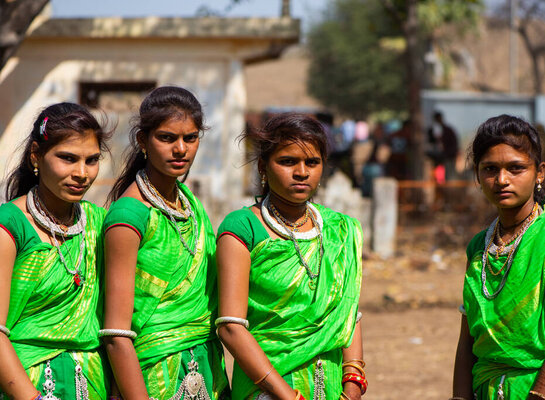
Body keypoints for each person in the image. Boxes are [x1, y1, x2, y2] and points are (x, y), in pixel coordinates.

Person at [216, 113, 365, 400]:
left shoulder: (341, 230)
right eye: (287, 161)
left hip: (332, 387)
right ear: (263, 166)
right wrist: (287, 396)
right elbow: (231, 327)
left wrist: (353, 384)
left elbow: (349, 316)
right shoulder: (243, 227)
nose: (301, 172)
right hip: (266, 389)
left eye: (312, 162)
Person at [451, 115, 545, 400]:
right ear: (477, 174)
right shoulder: (478, 247)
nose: (502, 180)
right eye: (490, 169)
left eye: (516, 168)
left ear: (540, 172)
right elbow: (467, 339)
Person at [102, 86, 229, 400]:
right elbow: (116, 334)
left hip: (206, 370)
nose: (181, 149)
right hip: (150, 377)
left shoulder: (191, 206)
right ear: (143, 141)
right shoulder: (130, 214)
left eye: (190, 137)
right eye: (167, 138)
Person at [0, 103, 111, 399]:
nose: (82, 173)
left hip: (92, 384)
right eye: (68, 158)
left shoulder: (99, 224)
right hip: (24, 385)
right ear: (36, 155)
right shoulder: (10, 225)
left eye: (92, 160)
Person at [427, 111, 459, 181]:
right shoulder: (432, 130)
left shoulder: (448, 130)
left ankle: (448, 190)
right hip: (440, 157)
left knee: (449, 177)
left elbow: (453, 144)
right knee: (437, 176)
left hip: (448, 157)